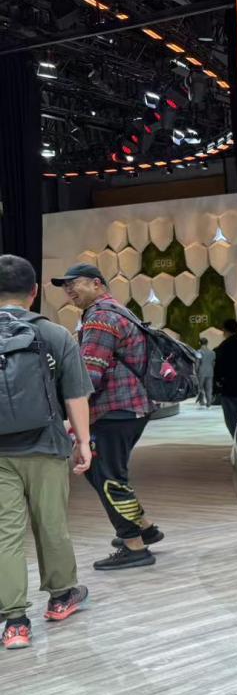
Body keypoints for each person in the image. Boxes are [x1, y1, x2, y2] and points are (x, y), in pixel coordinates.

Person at [0, 256, 94, 649]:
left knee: (5, 534)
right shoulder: (55, 334)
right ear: (34, 291)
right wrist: (83, 443)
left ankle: (15, 624)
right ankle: (61, 597)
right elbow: (75, 395)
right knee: (51, 524)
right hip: (46, 445)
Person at [53, 262, 162, 569]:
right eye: (65, 285)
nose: (69, 289)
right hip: (131, 407)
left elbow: (89, 376)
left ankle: (134, 546)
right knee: (106, 473)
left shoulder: (101, 318)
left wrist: (75, 424)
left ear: (97, 284)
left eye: (74, 283)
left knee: (107, 477)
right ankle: (145, 528)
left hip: (115, 409)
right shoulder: (118, 310)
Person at [196, 336, 216, 407]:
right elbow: (213, 363)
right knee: (209, 388)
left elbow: (197, 363)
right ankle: (209, 402)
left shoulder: (199, 352)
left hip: (201, 372)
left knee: (200, 387)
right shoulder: (212, 353)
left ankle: (201, 401)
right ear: (207, 343)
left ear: (199, 343)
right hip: (210, 372)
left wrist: (196, 371)